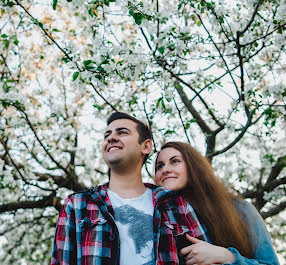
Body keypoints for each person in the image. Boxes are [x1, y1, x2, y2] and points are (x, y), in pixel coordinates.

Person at [50, 112, 209, 265]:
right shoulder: (77, 205)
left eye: (122, 133)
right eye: (107, 135)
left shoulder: (176, 204)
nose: (111, 138)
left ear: (146, 146)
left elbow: (206, 258)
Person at [154, 141, 280, 265]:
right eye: (160, 166)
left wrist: (228, 257)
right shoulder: (156, 219)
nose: (165, 169)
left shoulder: (240, 209)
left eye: (175, 161)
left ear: (194, 166)